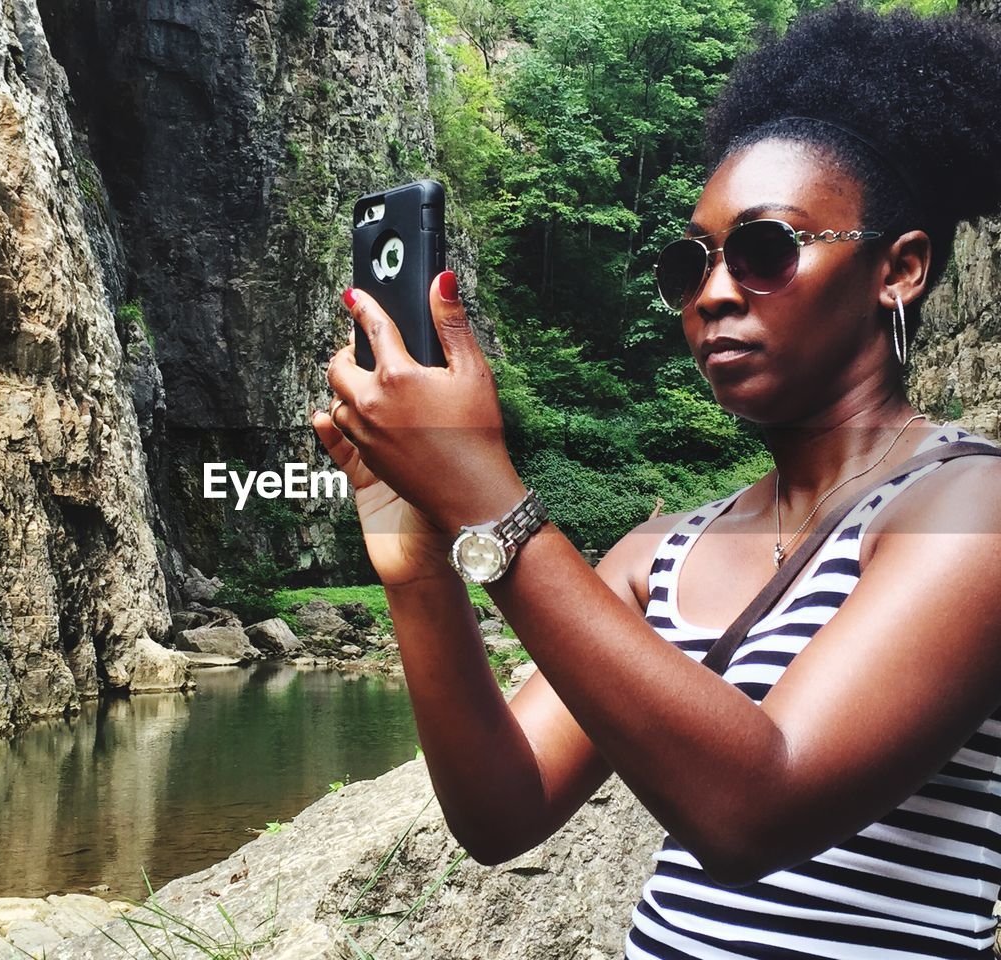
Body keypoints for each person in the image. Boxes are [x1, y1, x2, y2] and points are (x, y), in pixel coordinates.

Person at [310, 2, 1001, 957]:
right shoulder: (657, 552)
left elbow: (757, 809)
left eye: (766, 250)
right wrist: (419, 568)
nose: (715, 291)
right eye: (693, 263)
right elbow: (503, 811)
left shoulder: (972, 508)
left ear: (901, 269)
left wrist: (489, 499)